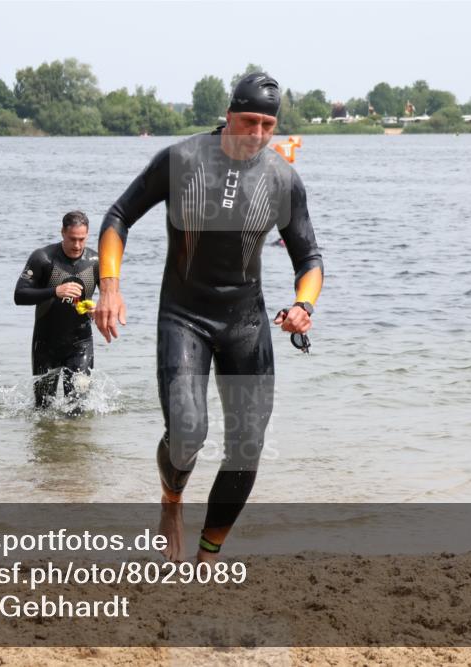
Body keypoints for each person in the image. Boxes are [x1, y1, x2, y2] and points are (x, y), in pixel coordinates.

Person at [94, 72, 324, 562]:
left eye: (268, 125)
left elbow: (309, 259)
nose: (257, 134)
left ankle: (208, 557)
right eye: (249, 121)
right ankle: (171, 499)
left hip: (246, 322)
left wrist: (303, 306)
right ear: (228, 114)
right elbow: (118, 217)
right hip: (184, 315)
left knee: (247, 446)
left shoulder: (283, 179)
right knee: (188, 433)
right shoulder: (181, 159)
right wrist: (110, 287)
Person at [14, 210, 100, 409]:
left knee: (78, 406)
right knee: (43, 408)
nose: (77, 245)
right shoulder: (43, 258)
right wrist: (55, 291)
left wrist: (98, 309)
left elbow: (109, 297)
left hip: (80, 343)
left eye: (82, 239)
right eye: (72, 239)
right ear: (62, 232)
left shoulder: (96, 262)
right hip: (46, 344)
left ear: (87, 235)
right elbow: (20, 295)